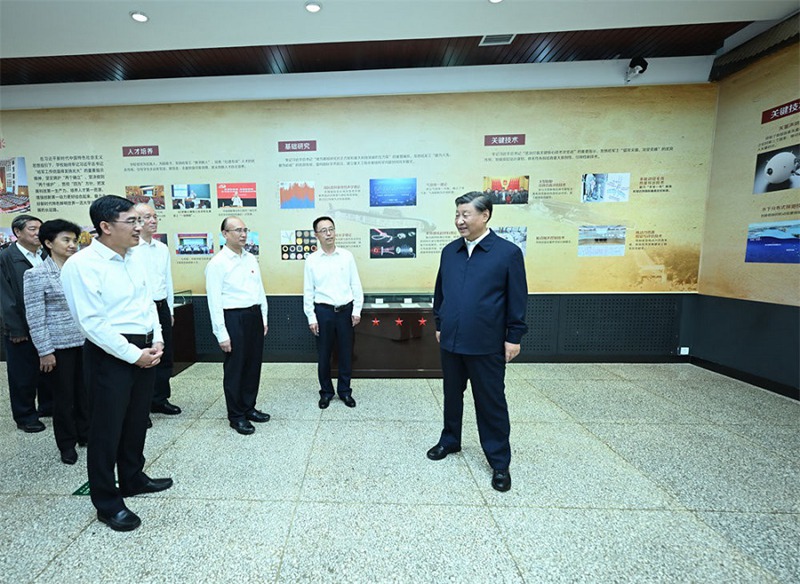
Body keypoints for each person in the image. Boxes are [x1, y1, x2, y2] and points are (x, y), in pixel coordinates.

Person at [61, 195, 173, 532]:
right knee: (106, 429)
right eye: (132, 222)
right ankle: (107, 503)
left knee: (136, 421)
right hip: (110, 353)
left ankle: (133, 478)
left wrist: (157, 339)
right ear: (106, 227)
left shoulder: (134, 257)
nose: (140, 228)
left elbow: (149, 300)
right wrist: (133, 354)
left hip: (143, 345)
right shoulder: (82, 265)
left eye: (141, 221)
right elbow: (92, 324)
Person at [427, 191, 528, 493]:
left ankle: (499, 462)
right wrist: (439, 324)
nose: (459, 221)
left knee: (491, 402)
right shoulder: (449, 252)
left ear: (485, 216)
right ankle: (450, 440)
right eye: (457, 215)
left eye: (465, 214)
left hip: (487, 345)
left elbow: (517, 299)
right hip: (452, 342)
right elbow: (440, 292)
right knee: (451, 396)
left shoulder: (507, 253)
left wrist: (514, 337)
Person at [23, 219, 89, 465]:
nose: (72, 245)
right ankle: (66, 444)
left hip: (86, 341)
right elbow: (35, 316)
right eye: (66, 240)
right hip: (58, 346)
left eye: (74, 240)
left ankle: (86, 434)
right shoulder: (36, 275)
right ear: (49, 243)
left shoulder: (80, 269)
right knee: (63, 398)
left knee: (85, 392)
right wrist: (45, 351)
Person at [205, 216, 269, 435]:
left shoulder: (250, 258)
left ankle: (249, 407)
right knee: (235, 368)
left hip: (253, 317)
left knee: (253, 365)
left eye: (245, 230)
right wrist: (221, 333)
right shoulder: (217, 263)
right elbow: (214, 301)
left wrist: (264, 318)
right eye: (237, 230)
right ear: (225, 234)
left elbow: (259, 290)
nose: (243, 234)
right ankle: (236, 415)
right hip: (233, 318)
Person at [0, 214, 53, 432]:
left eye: (40, 229)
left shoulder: (45, 254)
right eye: (32, 229)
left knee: (47, 368)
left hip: (45, 323)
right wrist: (15, 328)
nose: (37, 233)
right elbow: (5, 297)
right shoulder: (6, 257)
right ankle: (25, 416)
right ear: (18, 233)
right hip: (20, 326)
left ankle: (47, 406)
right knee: (23, 372)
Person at [303, 216, 363, 409]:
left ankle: (345, 391)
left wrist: (357, 310)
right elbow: (308, 291)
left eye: (331, 229)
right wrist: (311, 317)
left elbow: (356, 284)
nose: (329, 234)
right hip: (323, 312)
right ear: (316, 235)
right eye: (324, 231)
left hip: (345, 311)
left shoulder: (346, 256)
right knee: (324, 355)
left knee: (346, 353)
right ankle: (326, 392)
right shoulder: (312, 260)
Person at [133, 203, 182, 419]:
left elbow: (167, 282)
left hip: (161, 307)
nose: (153, 221)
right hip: (141, 310)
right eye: (147, 217)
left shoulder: (161, 248)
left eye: (155, 216)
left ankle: (159, 399)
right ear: (136, 220)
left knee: (165, 355)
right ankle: (139, 409)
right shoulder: (131, 250)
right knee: (144, 357)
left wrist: (169, 310)